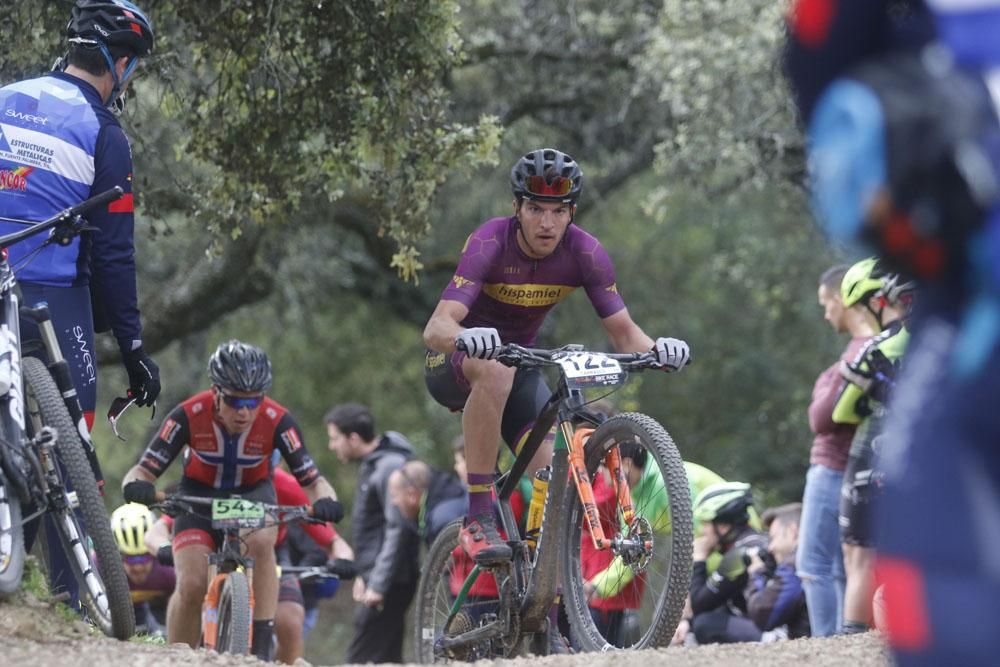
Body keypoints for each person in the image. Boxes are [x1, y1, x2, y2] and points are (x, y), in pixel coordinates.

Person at [786, 3, 1000, 662]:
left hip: (968, 297)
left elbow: (815, 58)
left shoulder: (886, 346)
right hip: (965, 294)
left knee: (926, 573)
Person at [422, 147, 691, 565]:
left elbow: (625, 335)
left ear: (572, 212)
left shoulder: (585, 253)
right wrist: (467, 336)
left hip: (520, 367)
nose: (546, 223)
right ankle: (478, 516)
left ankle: (545, 616)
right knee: (495, 368)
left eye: (558, 211)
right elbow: (436, 329)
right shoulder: (490, 241)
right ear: (516, 208)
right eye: (534, 208)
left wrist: (660, 350)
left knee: (557, 484)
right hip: (457, 364)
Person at [0, 0, 161, 611]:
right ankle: (70, 599)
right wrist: (135, 347)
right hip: (52, 296)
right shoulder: (105, 134)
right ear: (120, 64)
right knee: (70, 444)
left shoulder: (5, 95)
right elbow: (115, 255)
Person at [121, 340, 343, 662]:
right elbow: (142, 470)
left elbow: (314, 481)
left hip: (253, 492)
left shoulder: (279, 420)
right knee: (193, 582)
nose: (245, 412)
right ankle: (180, 656)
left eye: (254, 401)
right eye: (235, 401)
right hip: (198, 495)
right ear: (215, 392)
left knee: (261, 542)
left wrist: (327, 501)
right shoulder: (187, 414)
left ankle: (262, 647)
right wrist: (137, 486)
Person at [832, 258, 911, 635]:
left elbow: (842, 412)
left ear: (877, 302)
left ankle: (851, 637)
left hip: (873, 451)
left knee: (859, 555)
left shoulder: (880, 345)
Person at [796, 264, 875, 637]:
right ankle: (846, 643)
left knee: (813, 564)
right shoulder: (866, 349)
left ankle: (827, 645)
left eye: (827, 303)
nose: (826, 313)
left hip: (834, 465)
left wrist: (824, 390)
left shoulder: (862, 351)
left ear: (844, 299)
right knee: (846, 565)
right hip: (851, 466)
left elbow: (821, 417)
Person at [326, 402, 418, 664]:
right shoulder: (375, 465)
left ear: (353, 438)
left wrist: (378, 583)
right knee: (387, 657)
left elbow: (397, 528)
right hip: (381, 577)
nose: (332, 446)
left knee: (359, 657)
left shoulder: (388, 467)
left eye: (335, 438)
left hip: (392, 581)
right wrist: (363, 574)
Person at [687, 482, 768, 645]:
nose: (702, 531)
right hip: (768, 622)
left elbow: (698, 604)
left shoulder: (737, 556)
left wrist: (699, 559)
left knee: (703, 624)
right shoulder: (757, 540)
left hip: (776, 632)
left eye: (705, 524)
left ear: (723, 526)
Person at [110, 502, 175, 636]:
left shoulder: (167, 569)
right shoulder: (101, 568)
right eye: (130, 559)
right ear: (117, 556)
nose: (138, 567)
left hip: (160, 610)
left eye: (145, 557)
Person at [747, 504, 810, 640]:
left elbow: (763, 614)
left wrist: (756, 574)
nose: (770, 547)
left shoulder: (795, 566)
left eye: (773, 537)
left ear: (793, 531)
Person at [388, 460, 466, 546]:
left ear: (411, 495)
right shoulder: (442, 499)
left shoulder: (442, 521)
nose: (394, 503)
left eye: (395, 496)